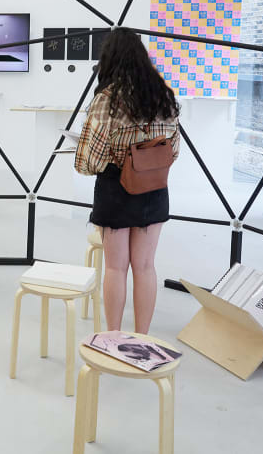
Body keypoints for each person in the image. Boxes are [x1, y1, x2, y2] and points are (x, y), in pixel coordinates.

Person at [75, 28, 180, 335]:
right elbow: (173, 149)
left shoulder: (107, 100)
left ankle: (114, 339)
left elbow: (87, 161)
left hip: (116, 190)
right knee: (145, 267)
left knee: (116, 268)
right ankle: (142, 339)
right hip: (155, 190)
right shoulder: (163, 95)